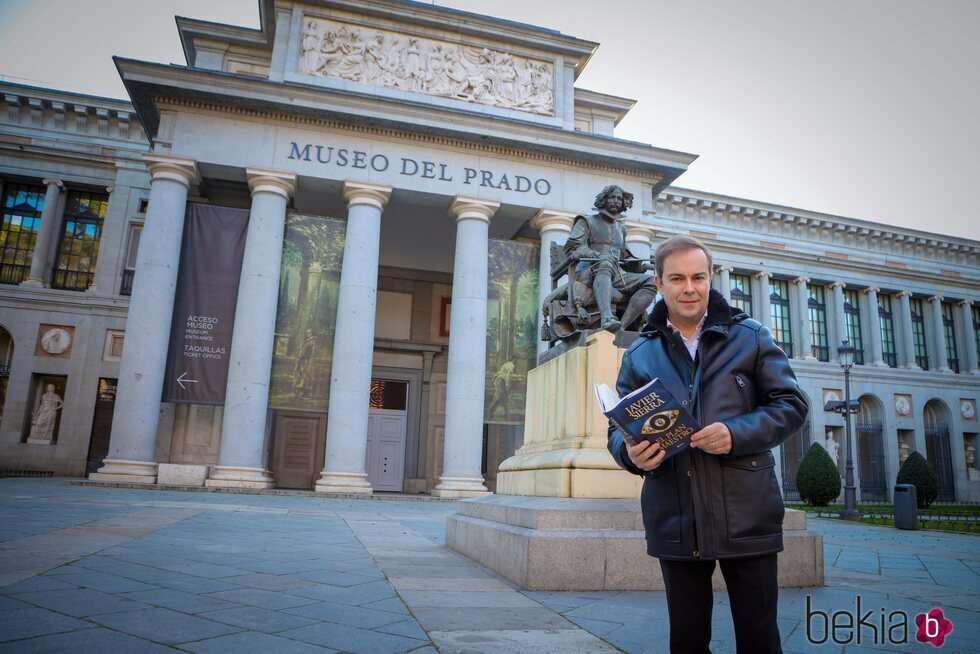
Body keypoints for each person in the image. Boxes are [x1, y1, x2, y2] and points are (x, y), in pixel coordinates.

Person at [607, 235, 808, 653]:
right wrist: (629, 453)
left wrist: (736, 433)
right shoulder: (638, 354)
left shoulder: (751, 336)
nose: (689, 288)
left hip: (745, 511)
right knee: (686, 640)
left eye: (698, 277)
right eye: (677, 278)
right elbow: (617, 428)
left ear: (710, 277)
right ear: (659, 284)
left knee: (760, 638)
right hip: (675, 514)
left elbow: (791, 405)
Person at [563, 185, 657, 332]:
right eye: (612, 197)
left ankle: (622, 326)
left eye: (619, 198)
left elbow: (625, 258)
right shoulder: (586, 221)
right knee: (606, 263)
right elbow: (574, 247)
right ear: (603, 199)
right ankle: (607, 317)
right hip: (589, 272)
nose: (616, 201)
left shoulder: (622, 229)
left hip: (618, 274)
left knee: (651, 281)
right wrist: (598, 256)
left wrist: (641, 266)